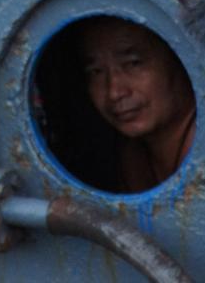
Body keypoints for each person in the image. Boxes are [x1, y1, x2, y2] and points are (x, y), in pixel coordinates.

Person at [76, 17, 196, 193]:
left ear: (180, 60)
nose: (114, 92)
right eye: (96, 72)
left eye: (133, 64)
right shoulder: (131, 154)